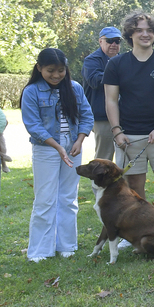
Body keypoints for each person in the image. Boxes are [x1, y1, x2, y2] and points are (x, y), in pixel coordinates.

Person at [104, 11, 154, 232]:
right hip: (129, 135)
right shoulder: (116, 64)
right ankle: (139, 230)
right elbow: (110, 100)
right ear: (130, 34)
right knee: (134, 188)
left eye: (149, 30)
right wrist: (117, 131)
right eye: (139, 30)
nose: (145, 34)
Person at [19, 48, 94, 263]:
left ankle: (67, 245)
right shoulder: (32, 91)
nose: (56, 75)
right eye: (50, 70)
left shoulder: (75, 88)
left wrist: (79, 140)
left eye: (61, 70)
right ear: (39, 68)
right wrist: (56, 147)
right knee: (45, 199)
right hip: (46, 149)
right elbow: (33, 125)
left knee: (69, 197)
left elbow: (86, 116)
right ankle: (40, 250)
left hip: (72, 147)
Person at [81, 26, 122, 161]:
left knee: (126, 155)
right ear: (100, 42)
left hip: (124, 115)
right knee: (104, 157)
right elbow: (95, 80)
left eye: (117, 41)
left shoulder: (124, 60)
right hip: (102, 116)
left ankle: (123, 183)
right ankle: (99, 183)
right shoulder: (91, 60)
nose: (114, 44)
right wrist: (121, 75)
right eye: (110, 40)